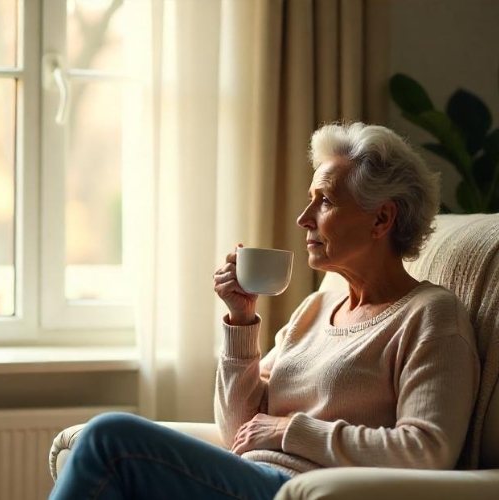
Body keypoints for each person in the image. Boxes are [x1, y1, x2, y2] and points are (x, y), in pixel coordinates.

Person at [48, 122, 480, 500]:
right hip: (248, 477)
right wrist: (240, 320)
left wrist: (289, 431)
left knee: (111, 438)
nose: (303, 218)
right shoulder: (317, 308)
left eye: (325, 201)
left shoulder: (431, 317)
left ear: (381, 219)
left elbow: (427, 450)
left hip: (297, 489)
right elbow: (238, 427)